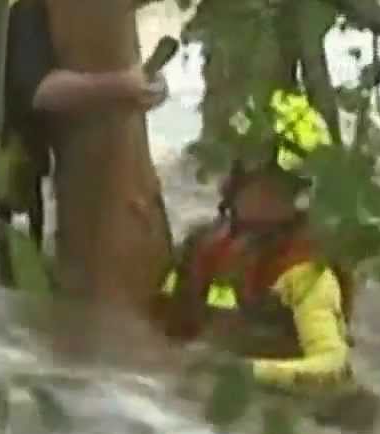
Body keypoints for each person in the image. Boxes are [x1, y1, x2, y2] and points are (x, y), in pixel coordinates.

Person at [153, 89, 358, 393]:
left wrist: (245, 373)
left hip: (281, 407)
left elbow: (332, 366)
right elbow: (159, 323)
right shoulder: (200, 245)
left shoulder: (307, 272)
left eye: (280, 187)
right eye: (256, 180)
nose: (263, 195)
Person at [0, 0, 170, 287]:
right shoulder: (30, 11)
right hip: (5, 177)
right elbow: (40, 92)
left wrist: (149, 86)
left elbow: (124, 76)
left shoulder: (96, 17)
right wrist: (121, 86)